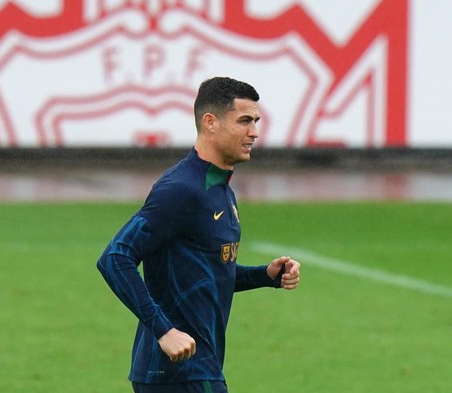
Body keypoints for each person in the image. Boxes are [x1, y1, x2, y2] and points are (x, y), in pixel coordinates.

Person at [96, 76, 301, 393]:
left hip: (196, 369)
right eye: (244, 121)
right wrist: (164, 331)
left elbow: (205, 273)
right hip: (178, 372)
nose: (254, 132)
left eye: (256, 121)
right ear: (210, 122)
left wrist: (265, 275)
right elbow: (114, 258)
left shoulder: (221, 191)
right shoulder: (181, 189)